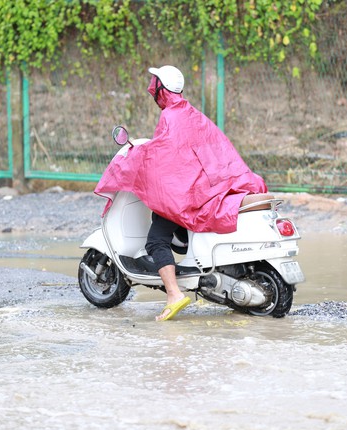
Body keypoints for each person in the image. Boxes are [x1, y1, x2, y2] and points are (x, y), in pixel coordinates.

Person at [95, 65, 267, 321]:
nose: (152, 88)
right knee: (168, 221)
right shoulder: (193, 114)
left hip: (190, 194)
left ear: (161, 89)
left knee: (155, 239)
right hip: (209, 187)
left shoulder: (170, 118)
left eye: (155, 84)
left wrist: (133, 158)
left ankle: (174, 293)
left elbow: (163, 156)